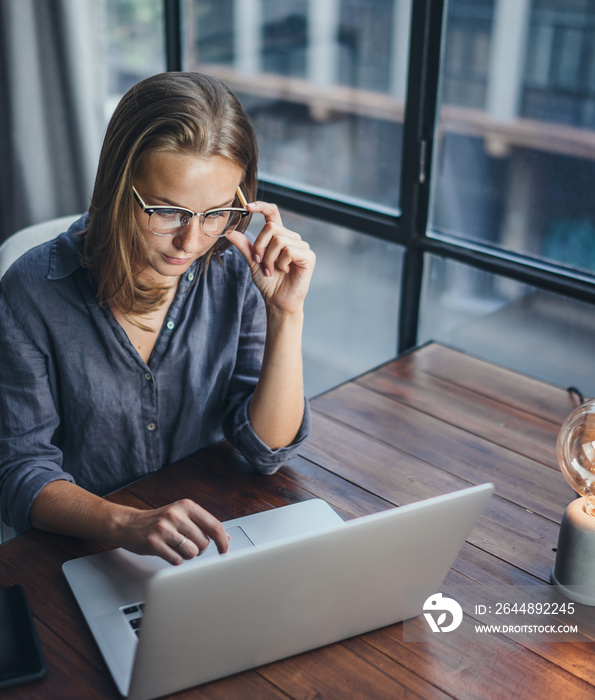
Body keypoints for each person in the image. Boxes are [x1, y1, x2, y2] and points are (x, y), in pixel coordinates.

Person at [0, 72, 315, 565]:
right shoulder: (32, 293)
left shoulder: (233, 270)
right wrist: (128, 522)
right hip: (89, 547)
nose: (191, 243)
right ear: (117, 187)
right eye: (167, 212)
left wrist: (285, 313)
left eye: (216, 213)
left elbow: (266, 450)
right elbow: (20, 473)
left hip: (215, 538)